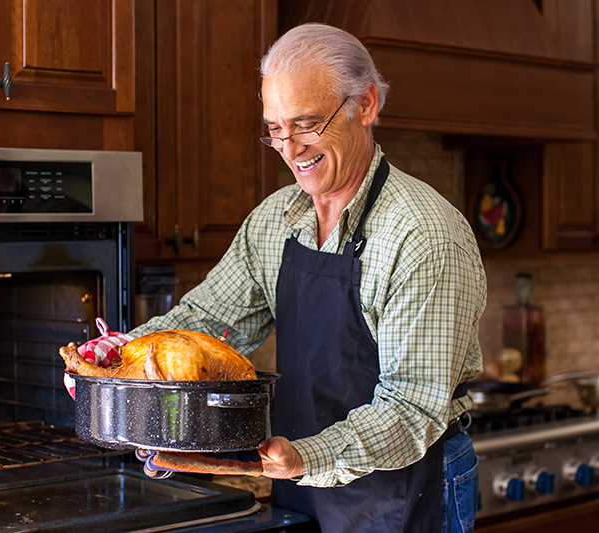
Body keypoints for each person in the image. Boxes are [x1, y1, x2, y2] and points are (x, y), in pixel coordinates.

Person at [123, 23, 486, 533]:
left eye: (307, 124)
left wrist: (305, 457)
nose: (290, 148)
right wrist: (115, 360)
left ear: (366, 105)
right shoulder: (276, 220)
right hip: (299, 474)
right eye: (274, 128)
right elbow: (206, 322)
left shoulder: (423, 235)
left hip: (407, 481)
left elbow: (412, 410)